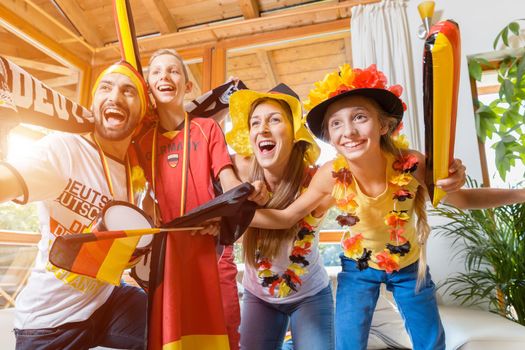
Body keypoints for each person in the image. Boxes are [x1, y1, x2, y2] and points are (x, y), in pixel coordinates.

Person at [249, 64, 525, 350]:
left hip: (407, 265)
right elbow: (286, 217)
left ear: (383, 125)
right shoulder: (330, 175)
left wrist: (520, 194)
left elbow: (462, 199)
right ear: (330, 137)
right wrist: (232, 217)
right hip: (358, 268)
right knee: (347, 343)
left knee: (430, 342)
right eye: (336, 124)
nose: (349, 131)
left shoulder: (411, 163)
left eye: (359, 117)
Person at [226, 82, 466, 350]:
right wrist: (221, 213)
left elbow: (455, 196)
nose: (263, 129)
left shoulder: (322, 179)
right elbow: (214, 166)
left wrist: (448, 174)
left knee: (425, 338)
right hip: (274, 290)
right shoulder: (242, 173)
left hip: (330, 287)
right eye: (255, 123)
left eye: (274, 120)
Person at [0, 61, 150, 349]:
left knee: (169, 323)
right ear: (93, 104)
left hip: (105, 302)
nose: (115, 97)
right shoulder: (63, 149)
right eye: (106, 87)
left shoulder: (133, 171)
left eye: (128, 90)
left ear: (142, 112)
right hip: (48, 323)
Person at [135, 48, 267, 350]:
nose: (165, 76)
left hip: (213, 244)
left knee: (225, 329)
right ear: (148, 86)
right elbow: (142, 198)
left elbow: (227, 179)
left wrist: (244, 194)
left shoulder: (207, 128)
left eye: (173, 71)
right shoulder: (141, 142)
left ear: (187, 85)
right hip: (169, 252)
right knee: (174, 334)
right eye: (156, 72)